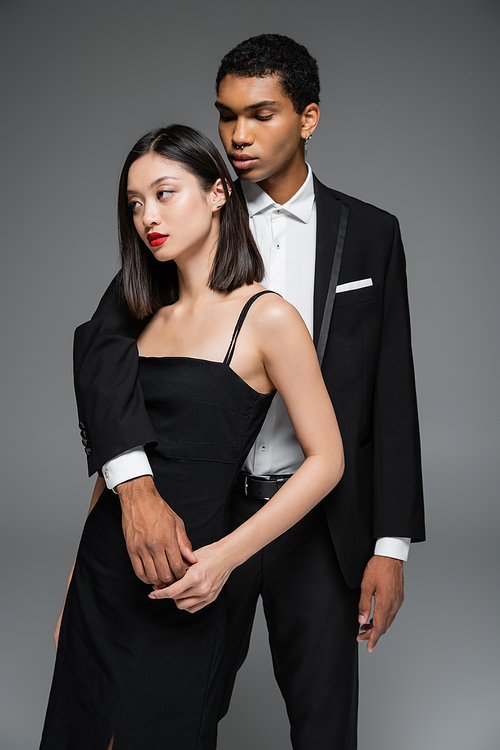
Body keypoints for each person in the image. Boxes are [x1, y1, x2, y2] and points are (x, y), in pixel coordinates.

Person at [72, 35, 425, 750]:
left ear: (309, 118)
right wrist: (134, 487)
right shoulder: (189, 226)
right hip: (204, 514)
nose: (236, 135)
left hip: (318, 522)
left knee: (325, 727)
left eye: (260, 114)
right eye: (225, 115)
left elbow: (392, 388)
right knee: (174, 715)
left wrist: (391, 545)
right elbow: (100, 347)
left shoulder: (372, 236)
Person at [40, 124, 343, 750]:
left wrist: (227, 558)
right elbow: (117, 461)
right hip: (104, 572)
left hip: (189, 578)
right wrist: (75, 582)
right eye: (133, 203)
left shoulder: (268, 317)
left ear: (217, 194)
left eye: (164, 193)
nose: (146, 215)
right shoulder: (135, 314)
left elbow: (327, 459)